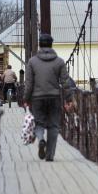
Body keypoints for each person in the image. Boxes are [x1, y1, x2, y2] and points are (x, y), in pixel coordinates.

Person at [24, 34, 69, 162]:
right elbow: (65, 82)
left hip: (37, 98)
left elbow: (29, 84)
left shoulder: (32, 62)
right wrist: (69, 98)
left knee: (39, 123)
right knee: (54, 126)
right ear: (51, 44)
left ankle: (41, 139)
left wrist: (26, 98)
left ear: (40, 44)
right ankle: (50, 155)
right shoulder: (59, 61)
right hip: (54, 97)